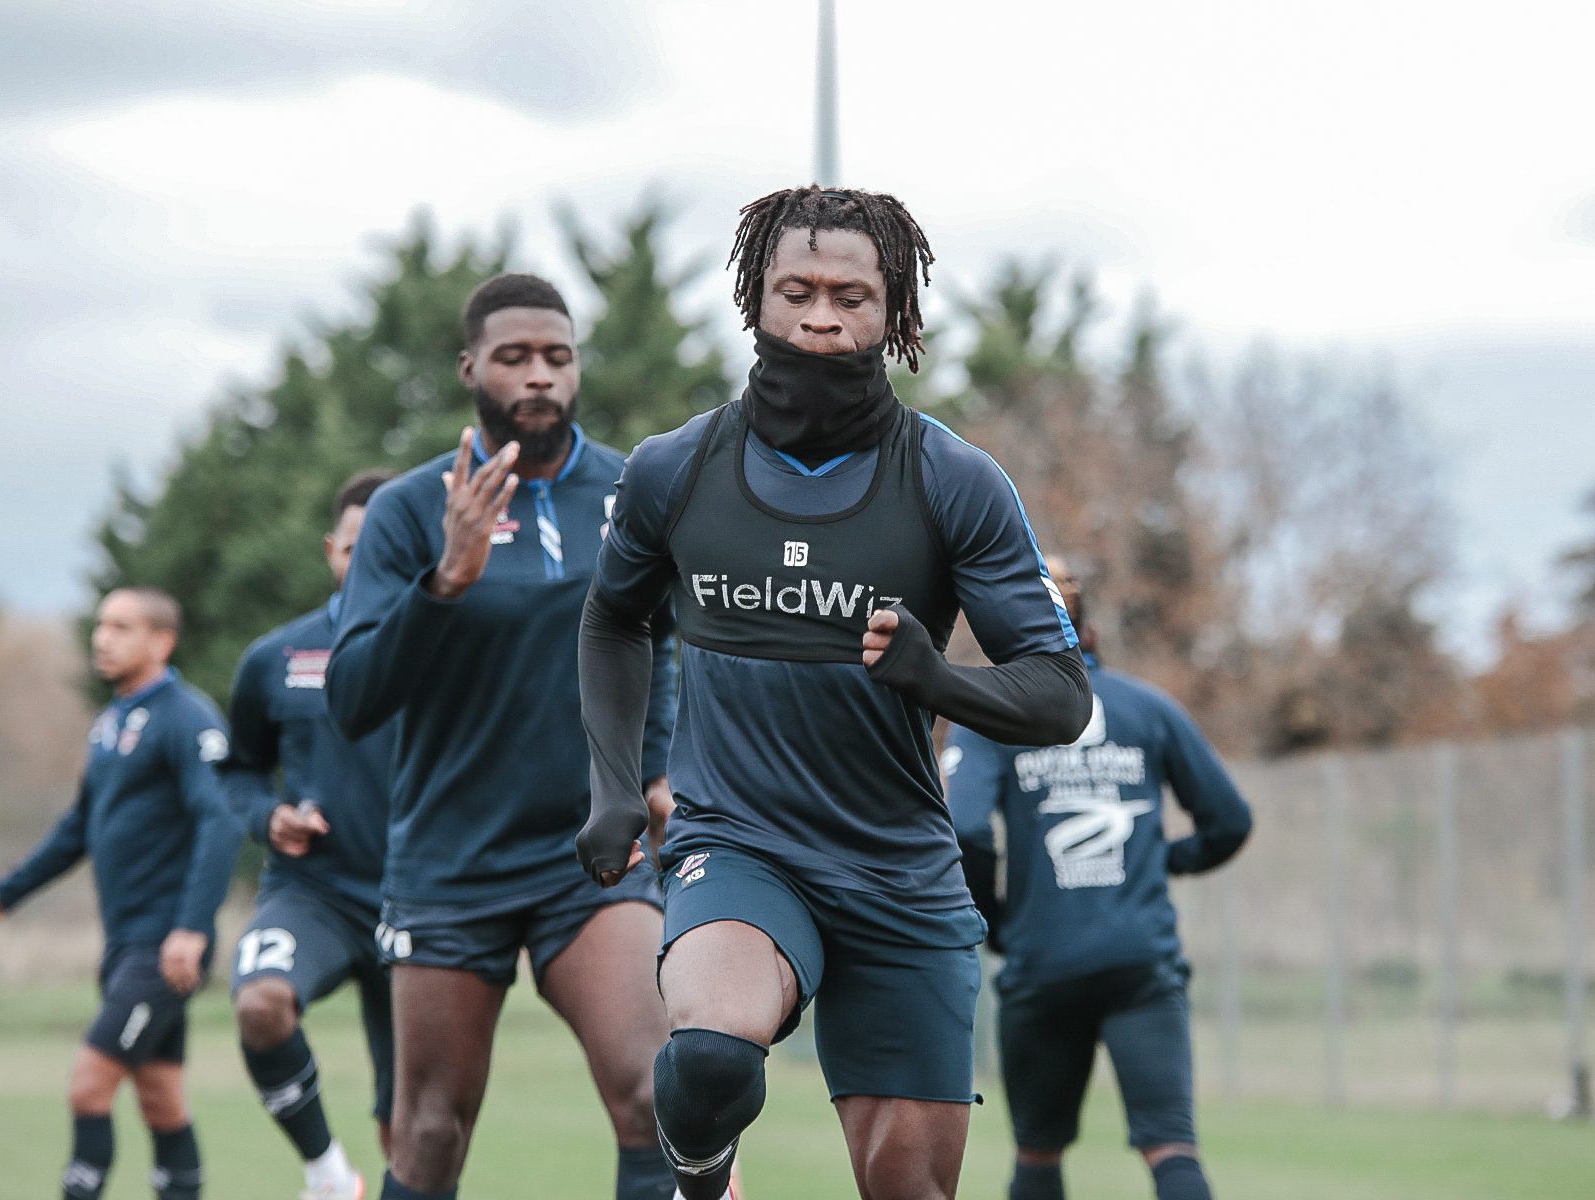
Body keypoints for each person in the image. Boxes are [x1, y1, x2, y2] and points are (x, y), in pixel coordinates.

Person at [575, 184, 1094, 1200]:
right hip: (741, 843)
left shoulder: (954, 480)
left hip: (900, 868)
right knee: (707, 1058)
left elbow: (1060, 694)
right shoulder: (675, 469)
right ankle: (703, 1184)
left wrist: (934, 677)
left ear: (893, 313)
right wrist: (613, 786)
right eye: (797, 291)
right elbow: (613, 619)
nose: (821, 316)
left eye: (850, 297)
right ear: (754, 300)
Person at [325, 273, 680, 1200]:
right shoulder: (411, 510)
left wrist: (650, 775)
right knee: (430, 1131)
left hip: (589, 852)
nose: (539, 376)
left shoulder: (631, 491)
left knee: (658, 1096)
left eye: (558, 357)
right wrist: (444, 581)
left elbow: (662, 644)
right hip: (449, 860)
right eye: (514, 357)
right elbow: (353, 700)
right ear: (469, 368)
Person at [943, 565, 1253, 1200]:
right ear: (1091, 632)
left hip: (1041, 962)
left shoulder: (988, 716)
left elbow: (966, 829)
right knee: (1171, 1148)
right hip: (1141, 961)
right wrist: (1165, 860)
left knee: (1036, 1155)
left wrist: (995, 921)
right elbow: (1230, 820)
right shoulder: (1150, 708)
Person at [0, 587, 242, 1200]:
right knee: (162, 1100)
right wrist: (7, 894)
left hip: (163, 948)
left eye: (122, 626)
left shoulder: (188, 718)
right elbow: (78, 829)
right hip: (123, 943)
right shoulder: (110, 723)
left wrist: (192, 927)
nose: (102, 638)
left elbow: (220, 821)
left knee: (88, 1087)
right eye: (101, 624)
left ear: (162, 641)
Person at [219, 469, 398, 1200]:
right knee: (260, 1004)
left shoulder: (450, 652)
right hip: (313, 892)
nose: (367, 561)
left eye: (385, 546)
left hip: (422, 901)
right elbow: (238, 772)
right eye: (354, 548)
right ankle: (327, 1177)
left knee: (413, 1131)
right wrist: (269, 818)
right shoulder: (275, 658)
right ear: (331, 551)